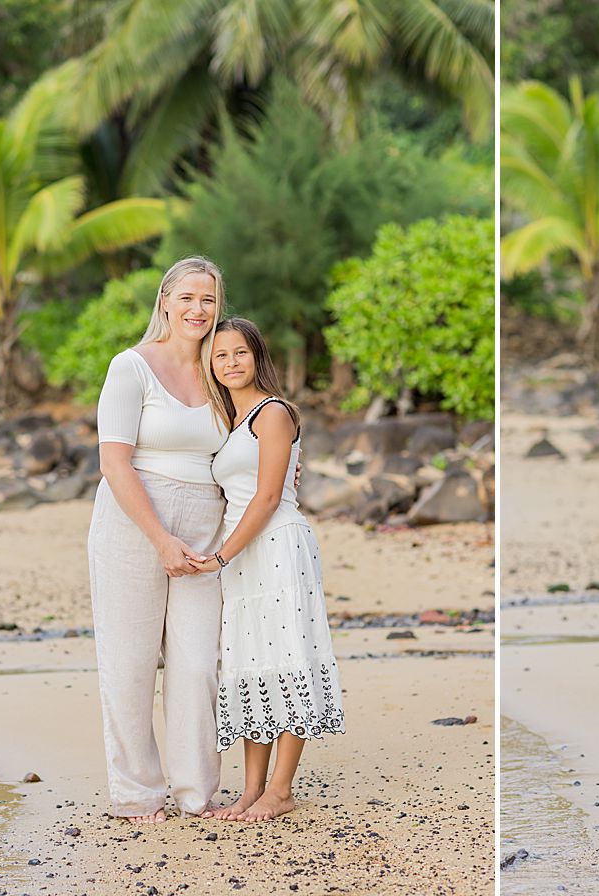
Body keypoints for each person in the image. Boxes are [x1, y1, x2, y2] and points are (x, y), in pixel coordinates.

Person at [88, 257, 228, 823]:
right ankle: (137, 793)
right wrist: (160, 539)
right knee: (131, 664)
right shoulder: (131, 367)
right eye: (188, 297)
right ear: (166, 299)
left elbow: (255, 436)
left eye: (210, 300)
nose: (198, 310)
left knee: (197, 665)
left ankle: (197, 794)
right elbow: (114, 463)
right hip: (134, 523)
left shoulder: (223, 371)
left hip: (207, 527)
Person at [194, 318, 345, 822]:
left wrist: (219, 556)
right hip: (241, 552)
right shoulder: (230, 423)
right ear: (210, 366)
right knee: (251, 666)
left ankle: (281, 790)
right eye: (220, 356)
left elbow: (266, 497)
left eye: (240, 353)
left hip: (275, 543)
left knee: (287, 660)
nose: (231, 362)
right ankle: (250, 791)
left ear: (258, 356)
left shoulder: (273, 413)